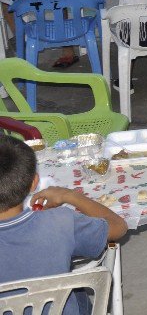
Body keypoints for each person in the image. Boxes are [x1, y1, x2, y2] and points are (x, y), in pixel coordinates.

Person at [0, 135, 128, 315]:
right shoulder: (60, 221)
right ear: (34, 183)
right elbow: (119, 226)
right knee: (76, 291)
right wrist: (70, 195)